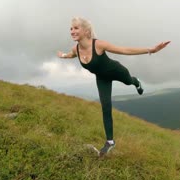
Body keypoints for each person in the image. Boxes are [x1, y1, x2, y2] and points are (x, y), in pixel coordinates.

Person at [57, 17, 170, 156]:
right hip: (102, 78)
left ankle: (137, 82)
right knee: (105, 107)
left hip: (116, 71)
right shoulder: (76, 49)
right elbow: (71, 55)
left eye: (76, 28)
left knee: (129, 81)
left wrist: (151, 50)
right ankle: (110, 142)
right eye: (71, 28)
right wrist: (62, 55)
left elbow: (124, 50)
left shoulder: (98, 44)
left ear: (86, 31)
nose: (72, 31)